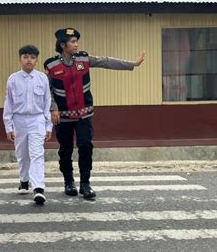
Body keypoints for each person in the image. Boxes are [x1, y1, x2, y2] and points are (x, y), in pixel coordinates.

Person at [44, 28, 145, 200]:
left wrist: (132, 64)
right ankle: (68, 182)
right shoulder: (51, 65)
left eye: (76, 41)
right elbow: (48, 89)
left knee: (85, 146)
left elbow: (107, 62)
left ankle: (85, 184)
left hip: (84, 115)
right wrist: (53, 108)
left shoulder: (84, 59)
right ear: (63, 44)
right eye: (73, 42)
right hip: (63, 117)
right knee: (65, 150)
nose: (76, 45)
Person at [3, 45, 52, 204]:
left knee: (37, 153)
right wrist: (8, 126)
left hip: (37, 119)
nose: (28, 60)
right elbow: (8, 104)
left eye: (32, 57)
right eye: (25, 57)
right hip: (19, 119)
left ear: (36, 60)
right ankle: (24, 180)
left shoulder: (42, 79)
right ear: (20, 59)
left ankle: (38, 188)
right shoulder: (13, 79)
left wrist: (48, 125)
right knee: (22, 153)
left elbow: (47, 103)